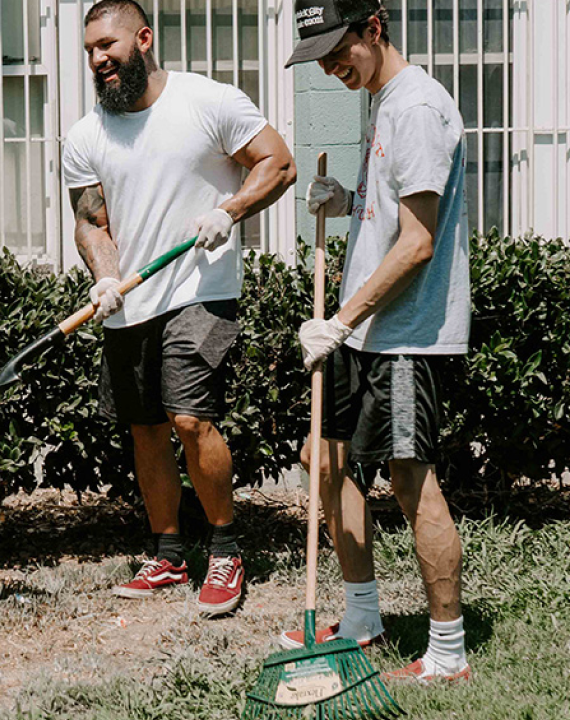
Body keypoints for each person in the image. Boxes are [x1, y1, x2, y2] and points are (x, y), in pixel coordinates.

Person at [62, 0, 296, 616]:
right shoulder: (86, 135)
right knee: (146, 431)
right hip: (129, 300)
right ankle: (167, 555)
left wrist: (229, 210)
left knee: (190, 419)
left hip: (200, 288)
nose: (97, 59)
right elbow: (91, 222)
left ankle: (225, 550)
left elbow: (279, 163)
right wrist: (105, 278)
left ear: (143, 39)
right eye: (89, 50)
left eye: (108, 45)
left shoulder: (207, 101)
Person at [281, 0, 472, 683]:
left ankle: (447, 651)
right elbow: (393, 211)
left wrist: (339, 321)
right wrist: (348, 200)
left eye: (340, 50)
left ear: (375, 27)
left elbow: (418, 243)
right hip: (365, 328)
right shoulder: (383, 100)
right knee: (324, 459)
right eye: (320, 57)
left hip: (404, 334)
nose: (332, 67)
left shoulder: (416, 107)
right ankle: (363, 616)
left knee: (409, 479)